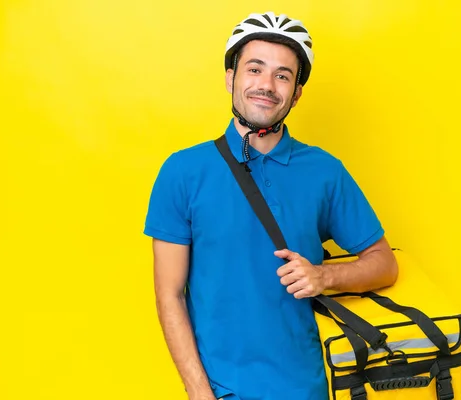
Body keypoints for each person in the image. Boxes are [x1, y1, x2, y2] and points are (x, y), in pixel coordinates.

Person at [143, 11, 398, 400]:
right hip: (221, 391)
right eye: (255, 69)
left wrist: (324, 277)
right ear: (231, 78)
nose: (267, 85)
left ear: (296, 93)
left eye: (282, 75)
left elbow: (384, 263)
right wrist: (198, 391)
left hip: (309, 388)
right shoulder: (182, 171)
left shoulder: (324, 171)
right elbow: (169, 294)